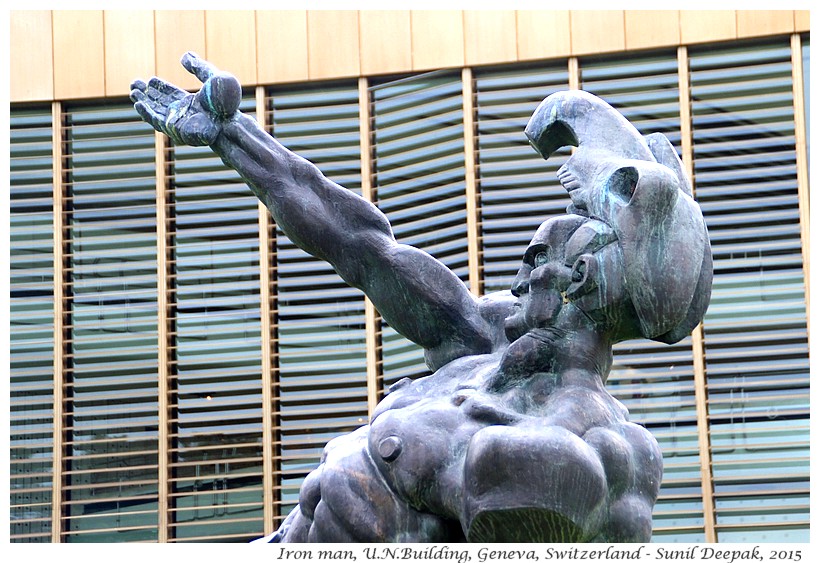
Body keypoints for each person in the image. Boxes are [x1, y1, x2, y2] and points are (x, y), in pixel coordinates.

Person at [131, 53, 711, 543]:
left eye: (535, 261)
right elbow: (362, 245)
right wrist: (235, 137)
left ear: (579, 278)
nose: (514, 282)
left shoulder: (582, 446)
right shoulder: (482, 340)